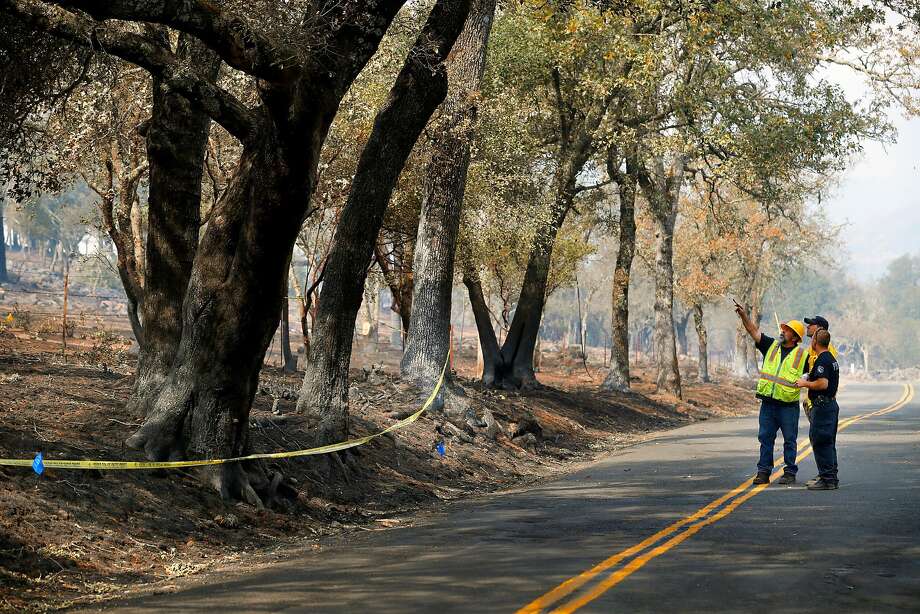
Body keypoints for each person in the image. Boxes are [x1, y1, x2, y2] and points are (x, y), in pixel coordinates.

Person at [735, 302, 808, 485]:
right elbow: (753, 331)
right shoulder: (771, 346)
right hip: (768, 404)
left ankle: (789, 472)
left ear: (795, 337)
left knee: (790, 441)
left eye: (787, 330)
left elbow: (812, 376)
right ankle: (763, 472)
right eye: (783, 329)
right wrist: (744, 315)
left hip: (788, 407)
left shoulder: (802, 356)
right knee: (765, 439)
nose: (782, 331)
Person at [796, 329, 840, 490]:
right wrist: (809, 376)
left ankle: (827, 479)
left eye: (812, 339)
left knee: (821, 441)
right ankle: (830, 477)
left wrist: (804, 383)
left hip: (823, 406)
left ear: (815, 342)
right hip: (829, 405)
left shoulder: (822, 360)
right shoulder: (831, 358)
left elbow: (823, 383)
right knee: (828, 442)